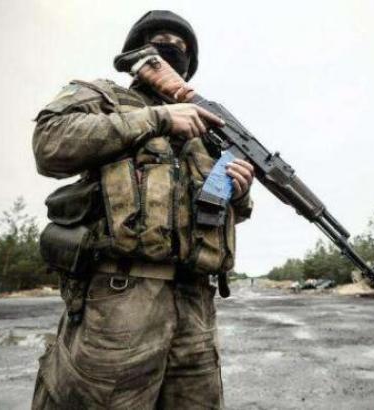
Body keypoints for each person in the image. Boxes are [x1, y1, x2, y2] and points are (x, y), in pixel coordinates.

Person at [30, 10, 254, 409]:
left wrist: (240, 192)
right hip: (120, 299)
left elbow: (222, 211)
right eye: (162, 41)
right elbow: (49, 144)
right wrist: (159, 118)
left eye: (182, 47)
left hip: (196, 307)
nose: (174, 49)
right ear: (138, 53)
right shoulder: (103, 97)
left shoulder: (210, 130)